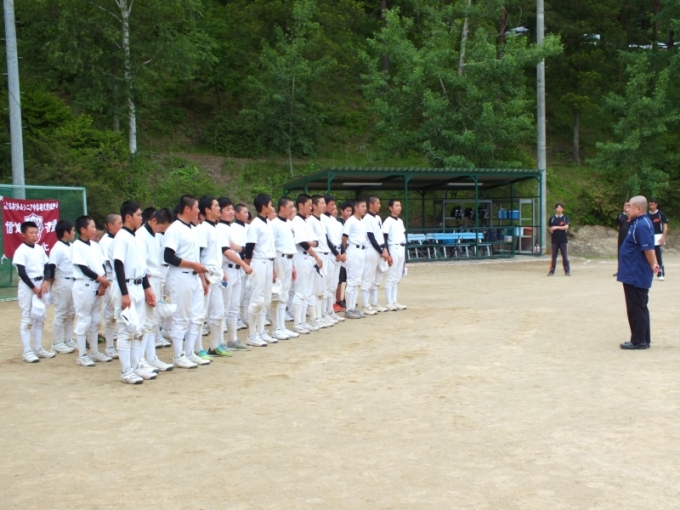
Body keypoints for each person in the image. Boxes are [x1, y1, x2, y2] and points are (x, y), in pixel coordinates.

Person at [112, 200, 157, 383]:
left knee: (139, 329)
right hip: (127, 286)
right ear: (128, 217)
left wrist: (147, 287)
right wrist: (124, 294)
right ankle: (126, 371)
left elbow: (142, 266)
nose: (141, 218)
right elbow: (118, 265)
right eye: (138, 215)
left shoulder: (136, 237)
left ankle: (136, 366)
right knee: (126, 330)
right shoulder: (121, 237)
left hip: (139, 285)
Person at [163, 195, 209, 368]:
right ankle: (178, 354)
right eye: (196, 207)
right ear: (187, 209)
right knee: (180, 317)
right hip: (180, 276)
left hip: (194, 276)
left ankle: (190, 352)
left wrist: (202, 278)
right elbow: (169, 257)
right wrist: (193, 265)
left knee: (197, 317)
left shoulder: (193, 229)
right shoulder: (175, 229)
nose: (198, 210)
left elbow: (196, 257)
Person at [617, 196, 660, 350]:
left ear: (639, 209)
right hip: (632, 271)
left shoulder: (641, 225)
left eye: (630, 206)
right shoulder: (638, 223)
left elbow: (648, 249)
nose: (627, 209)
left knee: (636, 307)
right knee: (639, 306)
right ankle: (643, 338)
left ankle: (638, 340)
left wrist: (653, 264)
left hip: (635, 273)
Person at [137, 207, 175, 372]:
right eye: (161, 227)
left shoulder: (156, 235)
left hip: (156, 278)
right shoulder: (140, 236)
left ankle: (152, 358)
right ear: (153, 220)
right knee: (145, 321)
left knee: (153, 321)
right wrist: (147, 287)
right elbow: (141, 265)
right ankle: (140, 359)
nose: (162, 230)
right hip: (147, 280)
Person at [71, 216, 111, 367]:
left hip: (97, 284)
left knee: (95, 319)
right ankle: (82, 354)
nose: (95, 230)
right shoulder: (77, 246)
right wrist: (102, 280)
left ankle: (94, 351)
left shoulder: (94, 245)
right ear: (83, 229)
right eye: (92, 227)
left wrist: (103, 283)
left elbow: (102, 265)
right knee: (84, 319)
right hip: (84, 285)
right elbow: (84, 268)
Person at [13, 221, 53, 363]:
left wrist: (45, 281)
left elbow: (47, 267)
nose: (35, 235)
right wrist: (33, 288)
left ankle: (38, 348)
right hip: (28, 286)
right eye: (31, 233)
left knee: (40, 316)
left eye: (36, 232)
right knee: (27, 318)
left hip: (40, 284)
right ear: (23, 234)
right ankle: (27, 351)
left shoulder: (39, 249)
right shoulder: (21, 250)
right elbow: (22, 272)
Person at [216, 197, 253, 351]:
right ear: (219, 212)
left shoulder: (232, 228)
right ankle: (219, 342)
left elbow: (242, 249)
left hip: (236, 270)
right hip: (226, 269)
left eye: (232, 209)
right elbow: (226, 251)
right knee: (223, 308)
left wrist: (240, 251)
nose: (231, 212)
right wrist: (244, 264)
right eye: (227, 209)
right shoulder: (219, 228)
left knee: (233, 307)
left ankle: (233, 339)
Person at [196, 195, 229, 360]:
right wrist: (202, 277)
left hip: (216, 274)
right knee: (200, 314)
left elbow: (217, 255)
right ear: (207, 210)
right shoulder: (202, 229)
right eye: (215, 206)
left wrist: (222, 271)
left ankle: (215, 346)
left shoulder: (217, 228)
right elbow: (198, 255)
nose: (219, 208)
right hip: (206, 274)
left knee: (218, 313)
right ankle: (197, 348)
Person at [243, 194, 277, 346]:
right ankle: (252, 334)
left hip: (268, 262)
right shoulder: (255, 225)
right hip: (259, 262)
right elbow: (249, 247)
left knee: (266, 299)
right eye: (270, 204)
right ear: (264, 207)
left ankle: (261, 331)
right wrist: (248, 266)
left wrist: (273, 268)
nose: (272, 207)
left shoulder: (268, 223)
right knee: (257, 299)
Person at [291, 194, 324, 334]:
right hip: (301, 257)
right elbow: (302, 242)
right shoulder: (297, 221)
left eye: (311, 205)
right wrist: (315, 254)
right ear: (300, 205)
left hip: (309, 257)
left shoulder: (306, 221)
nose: (311, 208)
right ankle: (297, 323)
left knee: (307, 292)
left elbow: (316, 242)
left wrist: (309, 243)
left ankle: (304, 321)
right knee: (300, 291)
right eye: (309, 205)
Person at [269, 197, 300, 340]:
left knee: (285, 294)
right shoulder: (274, 224)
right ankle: (276, 328)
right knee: (278, 294)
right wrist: (273, 268)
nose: (292, 209)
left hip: (289, 259)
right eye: (290, 206)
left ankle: (282, 326)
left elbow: (290, 244)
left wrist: (292, 266)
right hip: (279, 258)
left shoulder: (289, 223)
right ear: (282, 208)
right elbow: (272, 246)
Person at [48, 219, 77, 354]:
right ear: (66, 232)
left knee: (71, 312)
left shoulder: (71, 246)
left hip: (73, 281)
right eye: (72, 230)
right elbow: (51, 267)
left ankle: (68, 339)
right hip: (62, 282)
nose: (74, 232)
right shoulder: (57, 248)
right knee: (61, 312)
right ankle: (57, 342)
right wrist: (51, 285)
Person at [99, 213, 123, 359]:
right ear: (110, 225)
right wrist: (104, 282)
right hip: (111, 280)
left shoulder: (119, 239)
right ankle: (109, 346)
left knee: (121, 314)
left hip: (121, 280)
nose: (121, 226)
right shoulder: (105, 242)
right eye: (119, 223)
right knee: (110, 314)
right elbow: (103, 264)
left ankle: (121, 344)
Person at [309, 195, 335, 328]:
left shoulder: (321, 220)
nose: (324, 206)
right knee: (316, 288)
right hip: (317, 254)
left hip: (326, 254)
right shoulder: (311, 221)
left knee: (323, 288)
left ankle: (321, 315)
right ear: (314, 206)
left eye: (325, 203)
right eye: (322, 203)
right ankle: (315, 317)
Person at [342, 198, 368, 319]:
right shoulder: (351, 221)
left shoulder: (361, 221)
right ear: (356, 207)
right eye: (362, 206)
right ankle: (348, 309)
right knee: (352, 280)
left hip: (362, 250)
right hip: (353, 250)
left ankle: (353, 308)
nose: (364, 208)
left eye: (365, 206)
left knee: (357, 281)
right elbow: (344, 237)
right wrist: (344, 251)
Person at [322, 195, 345, 323]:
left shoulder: (334, 220)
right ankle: (324, 313)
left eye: (334, 204)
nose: (333, 206)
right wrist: (336, 253)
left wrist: (343, 252)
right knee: (326, 285)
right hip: (330, 254)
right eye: (331, 204)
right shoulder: (322, 219)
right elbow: (326, 239)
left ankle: (330, 311)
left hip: (338, 254)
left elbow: (340, 239)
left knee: (333, 285)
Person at [382, 199, 408, 311]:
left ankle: (394, 301)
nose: (399, 208)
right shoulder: (388, 221)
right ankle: (389, 302)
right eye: (396, 205)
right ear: (390, 208)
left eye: (399, 205)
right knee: (391, 275)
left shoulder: (400, 221)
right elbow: (385, 237)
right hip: (393, 247)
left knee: (397, 276)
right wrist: (387, 253)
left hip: (401, 247)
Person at [231, 204, 250, 330]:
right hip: (240, 261)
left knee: (247, 291)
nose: (247, 215)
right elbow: (235, 247)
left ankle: (244, 316)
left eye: (247, 212)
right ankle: (236, 317)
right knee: (238, 292)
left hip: (249, 260)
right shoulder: (233, 227)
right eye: (244, 212)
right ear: (237, 214)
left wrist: (242, 249)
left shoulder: (249, 227)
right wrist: (241, 249)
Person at [334, 200, 353, 312]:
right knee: (340, 278)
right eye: (347, 210)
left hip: (350, 251)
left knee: (349, 277)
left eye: (350, 210)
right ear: (342, 211)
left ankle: (347, 298)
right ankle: (338, 299)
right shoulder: (339, 222)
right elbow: (342, 238)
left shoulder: (351, 221)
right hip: (342, 251)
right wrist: (343, 251)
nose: (349, 213)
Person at [648, 199, 668, 281]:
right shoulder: (647, 215)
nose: (651, 206)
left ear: (656, 204)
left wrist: (663, 237)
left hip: (658, 237)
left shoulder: (661, 214)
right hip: (649, 237)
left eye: (652, 204)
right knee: (648, 255)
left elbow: (665, 227)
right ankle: (649, 272)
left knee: (659, 256)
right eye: (650, 204)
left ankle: (661, 273)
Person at [548, 203, 570, 276]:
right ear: (555, 209)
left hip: (563, 240)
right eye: (557, 208)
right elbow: (550, 227)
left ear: (563, 209)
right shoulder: (552, 218)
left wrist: (557, 227)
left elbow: (566, 227)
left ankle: (567, 271)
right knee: (553, 257)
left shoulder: (565, 218)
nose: (559, 209)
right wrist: (551, 229)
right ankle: (551, 271)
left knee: (565, 256)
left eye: (560, 208)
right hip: (554, 240)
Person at [614, 202, 630, 277]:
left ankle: (629, 270)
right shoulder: (620, 215)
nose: (626, 207)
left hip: (630, 239)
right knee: (620, 254)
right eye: (625, 205)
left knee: (629, 255)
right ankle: (620, 270)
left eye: (628, 205)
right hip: (621, 238)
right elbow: (618, 225)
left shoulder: (632, 216)